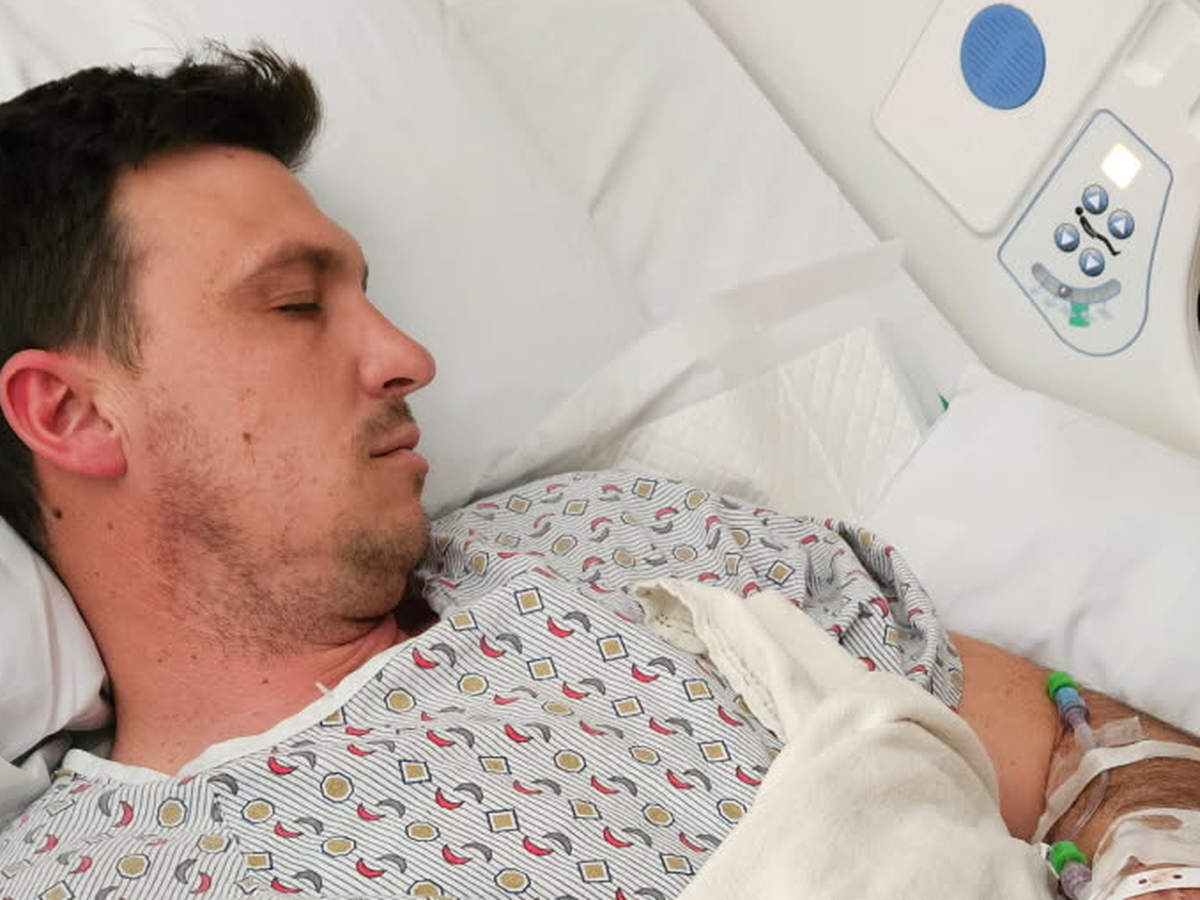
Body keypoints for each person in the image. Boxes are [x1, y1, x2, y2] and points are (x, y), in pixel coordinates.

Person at [0, 46, 1195, 900]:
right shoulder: (90, 879)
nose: (407, 357)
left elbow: (1075, 750)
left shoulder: (606, 539)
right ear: (69, 411)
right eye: (296, 305)